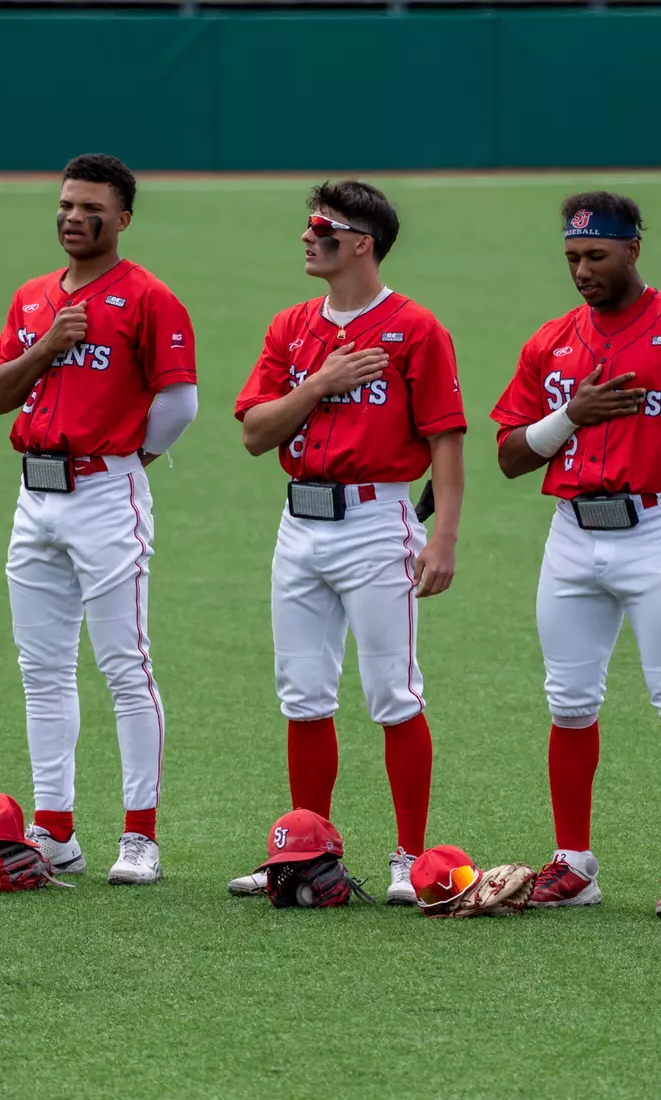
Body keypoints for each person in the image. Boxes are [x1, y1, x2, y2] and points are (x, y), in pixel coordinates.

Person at [490, 191, 661, 917]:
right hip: (571, 539)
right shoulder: (552, 341)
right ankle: (573, 866)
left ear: (633, 249)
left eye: (595, 256)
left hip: (657, 537)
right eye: (572, 257)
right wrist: (571, 416)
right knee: (568, 704)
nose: (582, 271)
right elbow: (510, 457)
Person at [227, 180, 466, 905]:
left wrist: (444, 539)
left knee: (393, 693)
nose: (307, 236)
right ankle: (308, 851)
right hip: (297, 525)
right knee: (303, 695)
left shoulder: (416, 329)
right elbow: (254, 433)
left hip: (377, 520)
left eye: (321, 227)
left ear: (361, 243)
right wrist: (319, 385)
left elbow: (446, 446)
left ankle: (411, 858)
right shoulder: (291, 326)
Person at [0, 153, 198, 885]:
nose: (74, 217)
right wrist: (48, 346)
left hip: (107, 495)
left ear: (124, 220)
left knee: (124, 668)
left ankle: (140, 837)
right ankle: (55, 828)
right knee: (41, 671)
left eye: (91, 209)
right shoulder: (33, 298)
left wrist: (123, 461)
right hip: (34, 499)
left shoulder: (149, 298)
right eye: (67, 205)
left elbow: (179, 404)